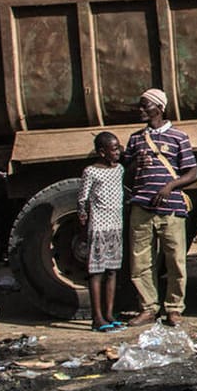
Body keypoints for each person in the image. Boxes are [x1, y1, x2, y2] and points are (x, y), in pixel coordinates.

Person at [123, 88, 197, 328]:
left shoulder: (179, 137)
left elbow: (192, 172)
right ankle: (147, 308)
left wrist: (170, 187)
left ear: (160, 108)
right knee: (140, 261)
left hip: (172, 208)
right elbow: (127, 173)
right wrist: (136, 163)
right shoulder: (135, 139)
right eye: (140, 105)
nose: (141, 109)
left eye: (146, 105)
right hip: (141, 207)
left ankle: (174, 309)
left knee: (175, 260)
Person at [79, 131, 125, 332]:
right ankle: (97, 317)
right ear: (102, 152)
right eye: (114, 149)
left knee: (112, 270)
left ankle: (109, 313)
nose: (118, 152)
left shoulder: (119, 169)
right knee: (96, 272)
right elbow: (83, 198)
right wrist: (82, 216)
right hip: (98, 226)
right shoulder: (91, 172)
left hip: (116, 226)